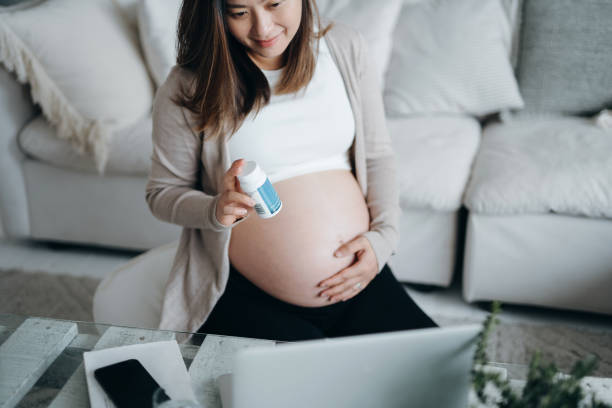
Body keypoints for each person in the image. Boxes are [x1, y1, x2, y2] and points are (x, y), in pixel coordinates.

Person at [145, 0, 436, 342]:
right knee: (315, 392)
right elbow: (162, 193)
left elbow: (377, 155)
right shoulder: (190, 85)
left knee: (454, 378)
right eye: (240, 13)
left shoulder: (342, 46)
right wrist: (214, 209)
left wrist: (384, 239)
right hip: (251, 297)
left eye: (274, 4)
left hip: (359, 278)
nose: (263, 28)